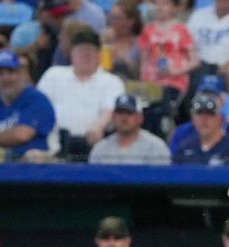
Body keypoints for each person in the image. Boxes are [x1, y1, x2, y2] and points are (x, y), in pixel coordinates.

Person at [37, 29, 125, 160]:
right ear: (71, 53)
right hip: (53, 145)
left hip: (93, 145)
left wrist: (98, 126)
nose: (85, 56)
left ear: (99, 54)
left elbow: (110, 110)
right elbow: (38, 107)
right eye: (80, 51)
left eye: (90, 52)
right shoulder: (53, 75)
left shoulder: (111, 81)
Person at [0, 49, 56, 161]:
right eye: (0, 73)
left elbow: (21, 135)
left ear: (21, 73)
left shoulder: (36, 99)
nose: (5, 78)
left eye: (10, 72)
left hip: (30, 166)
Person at [138, 0, 199, 102]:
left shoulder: (181, 29)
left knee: (165, 103)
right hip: (151, 82)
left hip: (174, 82)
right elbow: (144, 59)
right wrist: (143, 81)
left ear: (174, 8)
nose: (160, 7)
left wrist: (175, 71)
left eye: (165, 4)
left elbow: (195, 61)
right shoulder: (148, 29)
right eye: (157, 3)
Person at [88, 93, 171, 164]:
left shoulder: (156, 147)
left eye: (129, 113)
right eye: (120, 112)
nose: (124, 118)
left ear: (140, 118)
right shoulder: (101, 148)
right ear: (113, 117)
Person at [171, 92, 229, 165]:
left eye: (210, 114)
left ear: (219, 118)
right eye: (199, 114)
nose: (204, 119)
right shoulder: (184, 147)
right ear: (193, 118)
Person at [101, 0, 143, 81]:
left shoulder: (138, 43)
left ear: (130, 21)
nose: (113, 22)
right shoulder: (104, 38)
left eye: (117, 18)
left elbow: (138, 73)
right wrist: (104, 44)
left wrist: (121, 57)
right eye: (111, 17)